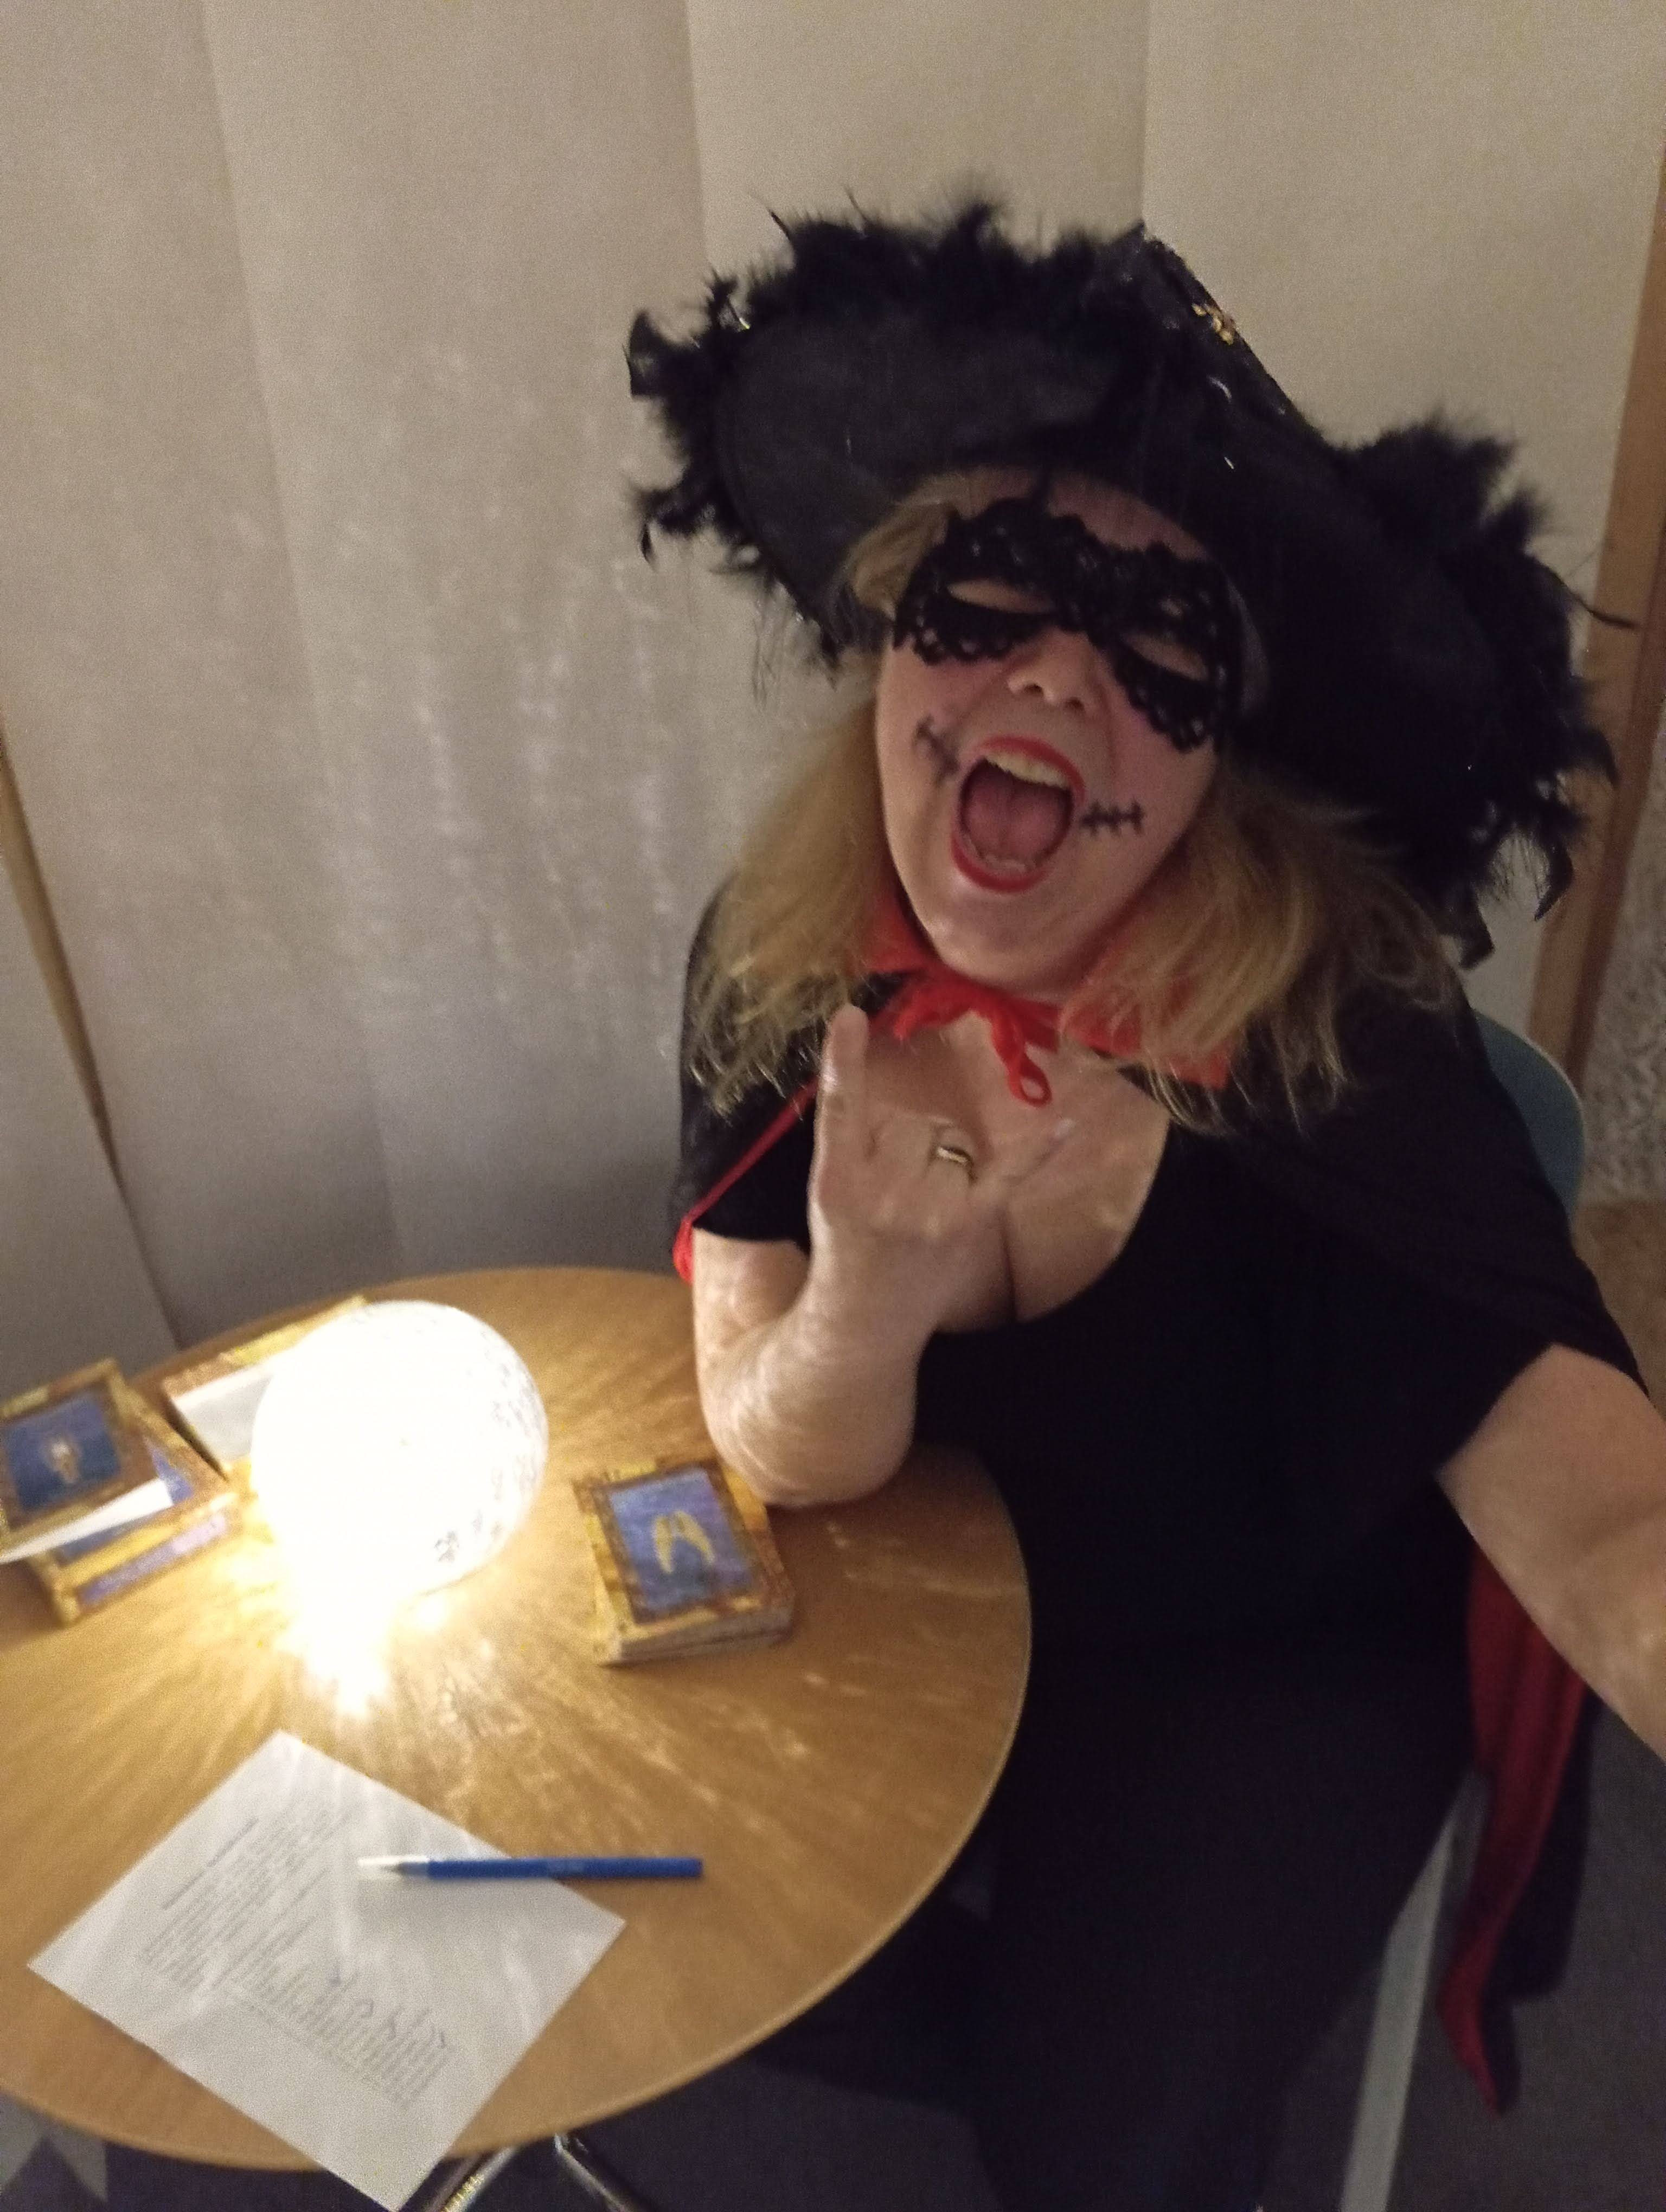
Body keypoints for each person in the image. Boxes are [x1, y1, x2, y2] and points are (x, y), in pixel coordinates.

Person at [626, 203, 1666, 2212]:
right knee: (675, 1900)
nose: (1054, 670)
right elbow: (778, 1440)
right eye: (991, 596)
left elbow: (1606, 1520)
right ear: (893, 640)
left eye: (1159, 645)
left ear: (1220, 762)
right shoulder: (780, 960)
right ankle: (1051, 2016)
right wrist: (870, 1296)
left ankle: (1094, 2059)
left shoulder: (1336, 1045)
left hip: (1258, 1649)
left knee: (1099, 2151)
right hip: (937, 1583)